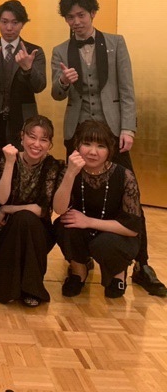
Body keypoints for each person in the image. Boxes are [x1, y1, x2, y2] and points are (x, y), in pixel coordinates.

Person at [51, 0, 166, 296]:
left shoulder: (116, 44)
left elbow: (127, 89)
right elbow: (56, 93)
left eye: (81, 15)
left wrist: (128, 128)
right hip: (78, 134)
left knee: (131, 200)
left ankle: (142, 266)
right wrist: (63, 81)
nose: (76, 22)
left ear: (92, 14)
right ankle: (79, 262)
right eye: (70, 17)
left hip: (113, 133)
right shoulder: (60, 50)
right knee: (75, 197)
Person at [0, 116, 82, 307]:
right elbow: (1, 198)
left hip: (37, 235)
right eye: (32, 137)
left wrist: (7, 209)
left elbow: (48, 209)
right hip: (5, 231)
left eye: (43, 140)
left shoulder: (54, 166)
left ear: (50, 144)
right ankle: (18, 288)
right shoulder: (8, 159)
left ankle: (28, 288)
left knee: (25, 219)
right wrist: (10, 163)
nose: (37, 144)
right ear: (22, 136)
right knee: (22, 219)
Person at [53, 120, 142, 299]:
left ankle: (118, 273)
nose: (93, 152)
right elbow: (59, 209)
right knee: (64, 225)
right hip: (83, 231)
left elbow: (132, 229)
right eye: (87, 144)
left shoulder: (124, 175)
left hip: (116, 234)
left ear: (110, 150)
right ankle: (79, 271)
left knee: (105, 242)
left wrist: (88, 222)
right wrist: (70, 173)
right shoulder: (70, 170)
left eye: (101, 146)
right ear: (77, 146)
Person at [0, 0, 46, 157]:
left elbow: (39, 86)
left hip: (23, 120)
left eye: (15, 22)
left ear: (23, 24)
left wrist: (28, 69)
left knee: (21, 164)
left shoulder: (34, 51)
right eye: (4, 22)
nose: (9, 28)